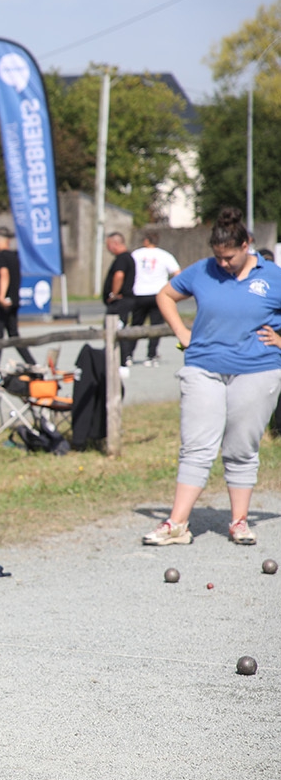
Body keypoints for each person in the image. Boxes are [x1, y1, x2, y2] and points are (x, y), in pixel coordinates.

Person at [144, 211, 281, 548]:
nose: (222, 263)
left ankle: (239, 522)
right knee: (196, 445)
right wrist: (182, 332)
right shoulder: (203, 270)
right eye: (218, 256)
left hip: (257, 368)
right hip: (203, 366)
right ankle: (176, 524)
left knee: (241, 447)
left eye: (229, 256)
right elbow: (165, 295)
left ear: (246, 246)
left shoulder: (273, 276)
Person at [129, 229, 181, 366]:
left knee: (135, 326)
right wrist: (171, 290)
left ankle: (128, 354)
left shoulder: (136, 254)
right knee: (156, 326)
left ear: (146, 241)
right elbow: (177, 273)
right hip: (158, 294)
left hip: (139, 293)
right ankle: (151, 356)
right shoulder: (164, 255)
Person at [0, 227, 34, 371]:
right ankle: (32, 362)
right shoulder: (14, 255)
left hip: (5, 300)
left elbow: (4, 274)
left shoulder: (1, 256)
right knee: (13, 334)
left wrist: (1, 296)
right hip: (14, 299)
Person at [103, 232, 136, 368]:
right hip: (126, 300)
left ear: (115, 244)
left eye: (108, 245)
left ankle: (120, 358)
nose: (107, 248)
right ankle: (122, 356)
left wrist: (113, 294)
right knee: (120, 327)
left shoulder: (122, 259)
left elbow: (119, 275)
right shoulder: (128, 257)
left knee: (114, 329)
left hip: (120, 301)